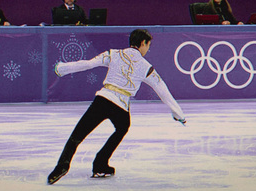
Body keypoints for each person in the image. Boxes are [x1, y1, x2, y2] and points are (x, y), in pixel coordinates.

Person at [47, 29, 187, 185]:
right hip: (120, 107)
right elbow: (163, 89)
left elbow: (87, 64)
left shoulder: (113, 54)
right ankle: (100, 164)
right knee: (122, 127)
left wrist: (62, 68)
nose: (148, 49)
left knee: (77, 135)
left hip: (103, 99)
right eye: (148, 45)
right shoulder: (146, 67)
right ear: (142, 43)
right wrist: (178, 114)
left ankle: (62, 166)